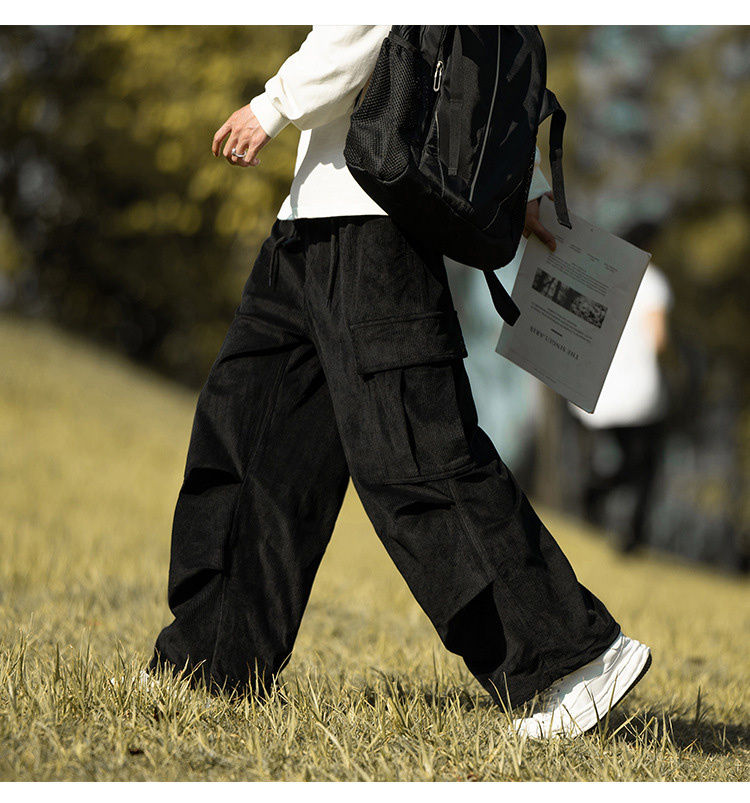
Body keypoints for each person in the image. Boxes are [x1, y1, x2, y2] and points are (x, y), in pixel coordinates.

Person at [149, 26, 651, 739]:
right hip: (308, 223)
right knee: (252, 440)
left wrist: (275, 103)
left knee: (416, 459)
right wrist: (527, 188)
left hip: (373, 228)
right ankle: (212, 658)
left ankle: (572, 658)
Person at [569, 224, 673, 554]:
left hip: (599, 389)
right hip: (638, 393)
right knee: (644, 466)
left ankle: (595, 491)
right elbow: (659, 341)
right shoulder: (653, 282)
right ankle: (631, 535)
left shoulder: (604, 277)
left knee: (624, 460)